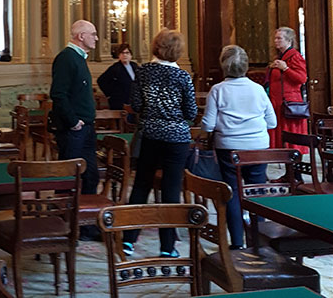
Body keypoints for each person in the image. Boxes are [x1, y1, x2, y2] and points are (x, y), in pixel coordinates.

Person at [123, 28, 197, 258]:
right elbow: (191, 111)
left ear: (156, 46)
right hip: (177, 139)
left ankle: (128, 240)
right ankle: (167, 247)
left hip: (150, 135)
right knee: (171, 191)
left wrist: (151, 114)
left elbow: (135, 104)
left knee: (141, 185)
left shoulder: (143, 72)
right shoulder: (183, 76)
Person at [200, 45, 277, 249]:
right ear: (246, 66)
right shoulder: (258, 89)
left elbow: (207, 125)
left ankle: (236, 243)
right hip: (258, 147)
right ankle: (258, 241)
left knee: (232, 192)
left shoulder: (218, 90)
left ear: (223, 66)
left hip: (230, 148)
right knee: (256, 193)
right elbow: (272, 123)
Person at [50, 19, 99, 240]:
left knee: (90, 176)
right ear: (81, 36)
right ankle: (61, 225)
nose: (96, 38)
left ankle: (85, 224)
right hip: (74, 129)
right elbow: (58, 94)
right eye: (93, 34)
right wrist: (73, 121)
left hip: (86, 128)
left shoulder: (79, 58)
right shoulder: (66, 58)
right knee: (68, 178)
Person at [268, 26, 308, 153]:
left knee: (289, 133)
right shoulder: (281, 56)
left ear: (289, 41)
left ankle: (293, 165)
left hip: (289, 102)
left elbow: (302, 79)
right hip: (277, 101)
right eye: (275, 38)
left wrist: (286, 69)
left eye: (279, 38)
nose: (276, 41)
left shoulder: (294, 56)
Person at [97, 43, 138, 109]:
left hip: (133, 99)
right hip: (119, 101)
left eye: (127, 53)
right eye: (122, 53)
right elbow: (101, 80)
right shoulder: (115, 68)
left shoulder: (134, 66)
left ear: (131, 55)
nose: (125, 55)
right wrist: (109, 94)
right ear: (119, 55)